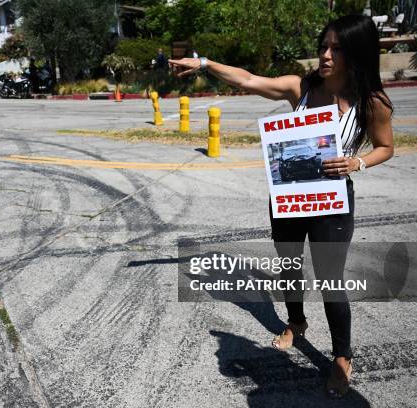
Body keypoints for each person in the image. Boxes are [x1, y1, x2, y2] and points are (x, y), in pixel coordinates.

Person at [169, 15, 394, 398]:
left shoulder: (371, 102)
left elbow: (386, 147)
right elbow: (248, 79)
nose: (325, 55)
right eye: (323, 45)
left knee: (330, 280)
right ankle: (296, 322)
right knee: (289, 265)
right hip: (289, 198)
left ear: (356, 52)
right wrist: (204, 64)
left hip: (332, 202)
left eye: (336, 49)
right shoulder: (301, 87)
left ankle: (342, 356)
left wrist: (356, 162)